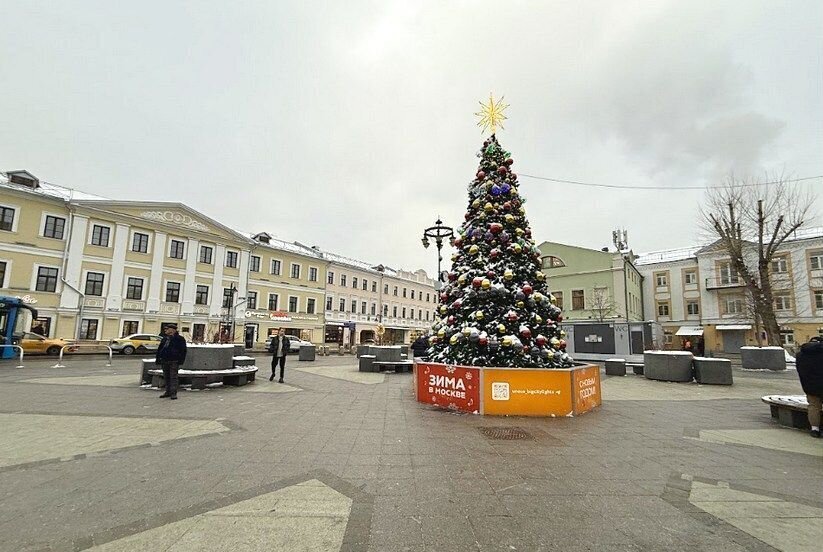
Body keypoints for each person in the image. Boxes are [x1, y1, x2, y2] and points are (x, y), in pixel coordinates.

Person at [795, 336, 823, 438]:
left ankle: (815, 429)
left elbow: (800, 370)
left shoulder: (800, 355)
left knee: (813, 407)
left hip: (810, 386)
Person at [156, 324, 187, 400]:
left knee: (173, 377)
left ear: (173, 330)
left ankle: (173, 393)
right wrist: (158, 358)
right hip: (164, 360)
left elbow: (183, 351)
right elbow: (160, 349)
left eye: (167, 329)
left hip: (174, 360)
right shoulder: (165, 338)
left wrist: (180, 360)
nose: (165, 330)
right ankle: (168, 392)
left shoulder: (179, 339)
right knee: (166, 377)